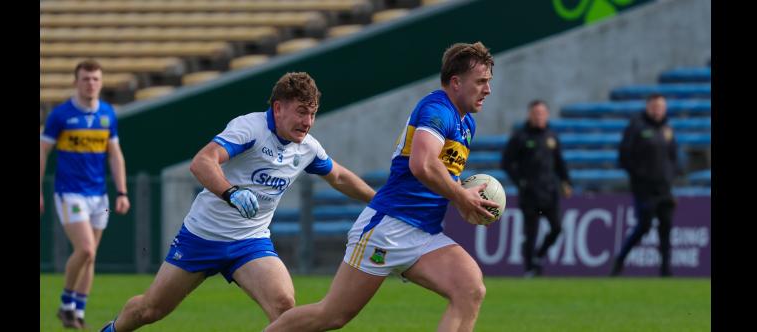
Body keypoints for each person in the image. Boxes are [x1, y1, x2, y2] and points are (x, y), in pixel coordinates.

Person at [99, 72, 376, 332]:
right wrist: (231, 192)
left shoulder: (307, 148)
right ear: (278, 108)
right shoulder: (250, 128)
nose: (307, 122)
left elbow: (339, 177)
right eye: (301, 112)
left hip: (250, 242)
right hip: (202, 237)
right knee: (150, 310)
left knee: (284, 307)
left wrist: (379, 201)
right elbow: (202, 162)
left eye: (312, 114)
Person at [265, 41, 499, 332]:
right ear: (455, 82)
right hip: (387, 228)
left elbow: (439, 174)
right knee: (332, 315)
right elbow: (421, 164)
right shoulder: (436, 110)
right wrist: (460, 196)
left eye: (488, 82)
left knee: (470, 288)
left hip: (423, 233)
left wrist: (461, 200)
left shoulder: (466, 124)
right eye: (481, 82)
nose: (487, 90)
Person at [40, 59, 131, 329]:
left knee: (92, 255)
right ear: (75, 82)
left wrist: (122, 191)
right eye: (85, 79)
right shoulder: (61, 115)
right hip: (70, 193)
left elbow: (115, 154)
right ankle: (67, 301)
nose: (90, 84)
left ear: (101, 83)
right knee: (86, 248)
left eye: (95, 79)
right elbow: (43, 151)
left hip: (99, 195)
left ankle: (76, 311)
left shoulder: (107, 113)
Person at [501, 100, 572, 277]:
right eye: (535, 113)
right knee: (530, 233)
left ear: (547, 115)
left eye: (542, 113)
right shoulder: (520, 136)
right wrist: (520, 182)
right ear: (529, 115)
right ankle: (529, 268)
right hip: (530, 194)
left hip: (550, 191)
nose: (539, 116)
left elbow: (559, 163)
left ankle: (539, 256)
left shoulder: (552, 136)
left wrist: (566, 181)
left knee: (557, 228)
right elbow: (506, 163)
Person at [611, 93, 679, 277]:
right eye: (655, 106)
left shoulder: (667, 129)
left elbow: (673, 158)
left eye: (661, 107)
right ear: (648, 107)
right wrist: (640, 176)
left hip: (664, 188)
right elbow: (624, 157)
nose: (658, 110)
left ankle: (666, 270)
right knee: (644, 225)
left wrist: (670, 178)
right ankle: (620, 260)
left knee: (666, 227)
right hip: (644, 189)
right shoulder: (636, 127)